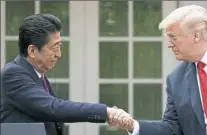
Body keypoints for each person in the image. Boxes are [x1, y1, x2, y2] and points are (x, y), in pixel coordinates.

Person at [0, 14, 133, 135]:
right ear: (32, 51)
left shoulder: (38, 75)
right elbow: (53, 108)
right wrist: (106, 112)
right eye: (54, 47)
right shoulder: (13, 74)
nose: (59, 54)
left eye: (60, 47)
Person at [111, 5, 207, 135]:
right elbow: (172, 129)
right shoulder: (176, 79)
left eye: (173, 37)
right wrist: (133, 125)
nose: (169, 44)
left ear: (196, 36)